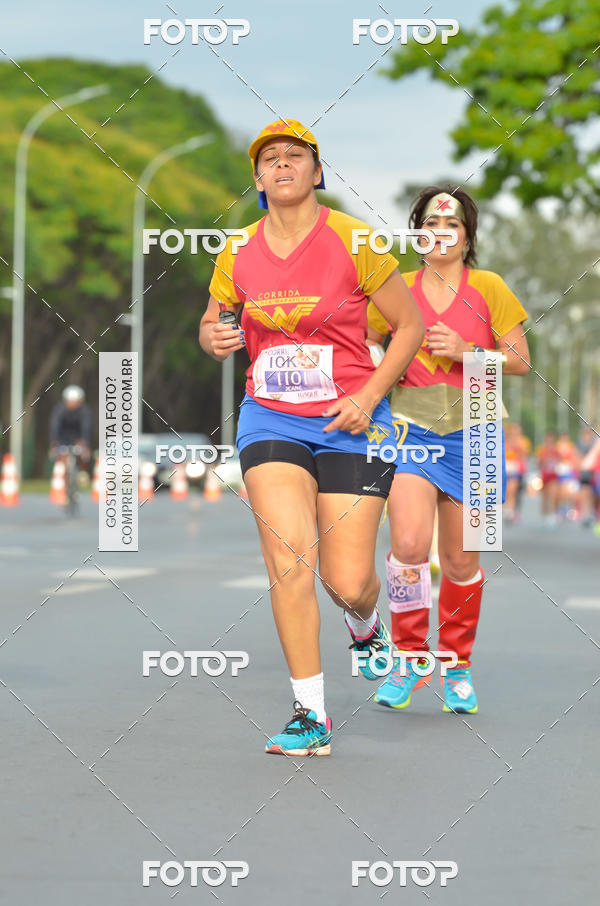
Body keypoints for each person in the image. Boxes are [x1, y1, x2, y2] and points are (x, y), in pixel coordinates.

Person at [199, 119, 424, 756]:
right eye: (269, 159)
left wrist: (370, 396)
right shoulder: (236, 249)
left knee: (347, 579)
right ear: (258, 179)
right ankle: (310, 715)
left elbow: (406, 327)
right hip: (271, 416)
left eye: (294, 156)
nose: (281, 165)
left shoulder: (355, 240)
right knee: (288, 559)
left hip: (353, 419)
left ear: (316, 172)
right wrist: (213, 338)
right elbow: (214, 322)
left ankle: (365, 622)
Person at [367, 186, 530, 714]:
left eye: (452, 226)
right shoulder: (398, 289)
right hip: (410, 425)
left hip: (477, 427)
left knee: (460, 559)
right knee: (410, 544)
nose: (441, 234)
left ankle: (457, 666)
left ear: (467, 236)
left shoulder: (490, 287)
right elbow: (360, 338)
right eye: (430, 226)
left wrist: (469, 351)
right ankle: (410, 660)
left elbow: (521, 361)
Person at [49, 385, 92, 472]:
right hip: (63, 438)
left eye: (75, 401)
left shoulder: (85, 411)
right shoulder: (59, 410)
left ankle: (83, 473)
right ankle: (62, 475)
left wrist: (85, 442)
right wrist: (54, 442)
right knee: (60, 457)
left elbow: (86, 427)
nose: (72, 403)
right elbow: (55, 426)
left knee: (84, 456)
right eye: (70, 401)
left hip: (78, 437)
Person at [504, 423, 529, 523]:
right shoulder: (504, 442)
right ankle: (508, 509)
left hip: (516, 470)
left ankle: (511, 511)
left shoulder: (522, 442)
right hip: (506, 469)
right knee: (507, 490)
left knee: (513, 491)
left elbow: (524, 456)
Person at [537, 431, 560, 527]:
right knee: (545, 496)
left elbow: (560, 461)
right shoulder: (542, 450)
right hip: (544, 476)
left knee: (553, 494)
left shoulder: (556, 450)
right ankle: (545, 514)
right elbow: (539, 463)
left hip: (553, 476)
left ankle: (552, 514)